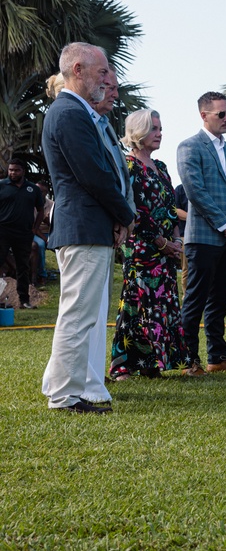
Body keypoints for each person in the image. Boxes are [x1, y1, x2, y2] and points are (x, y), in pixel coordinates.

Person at [40, 42, 134, 414]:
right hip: (82, 226)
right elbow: (93, 175)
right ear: (78, 70)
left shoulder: (71, 112)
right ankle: (64, 396)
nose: (106, 78)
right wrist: (124, 214)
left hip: (86, 226)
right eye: (101, 71)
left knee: (80, 314)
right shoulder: (69, 113)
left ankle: (63, 387)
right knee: (78, 315)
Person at [107, 109, 188, 380]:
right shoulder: (129, 165)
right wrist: (161, 242)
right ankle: (122, 366)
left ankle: (151, 363)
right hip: (141, 247)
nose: (160, 133)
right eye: (154, 128)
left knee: (161, 304)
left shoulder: (162, 168)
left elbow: (170, 208)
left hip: (166, 249)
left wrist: (175, 239)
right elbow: (134, 212)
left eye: (160, 128)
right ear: (139, 132)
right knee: (136, 303)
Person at [176, 91, 226, 375]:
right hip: (202, 238)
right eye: (221, 114)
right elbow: (195, 191)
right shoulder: (189, 147)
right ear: (203, 115)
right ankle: (188, 360)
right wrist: (224, 224)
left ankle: (217, 358)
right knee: (195, 300)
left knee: (220, 301)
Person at [0, 159, 45, 308]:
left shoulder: (32, 189)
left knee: (23, 267)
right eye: (11, 170)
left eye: (16, 170)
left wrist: (35, 228)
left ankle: (24, 301)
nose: (13, 173)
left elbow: (41, 210)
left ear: (23, 171)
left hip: (24, 233)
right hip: (3, 231)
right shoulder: (2, 185)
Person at [30, 180, 54, 285]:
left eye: (41, 191)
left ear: (46, 193)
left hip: (50, 232)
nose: (38, 193)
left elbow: (54, 224)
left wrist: (48, 220)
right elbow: (33, 227)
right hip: (35, 233)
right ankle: (42, 275)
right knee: (40, 245)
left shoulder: (52, 204)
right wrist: (46, 240)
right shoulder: (29, 204)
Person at [174, 183, 189, 289]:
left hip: (204, 235)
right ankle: (186, 297)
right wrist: (195, 218)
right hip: (184, 235)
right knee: (187, 268)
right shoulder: (180, 189)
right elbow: (175, 210)